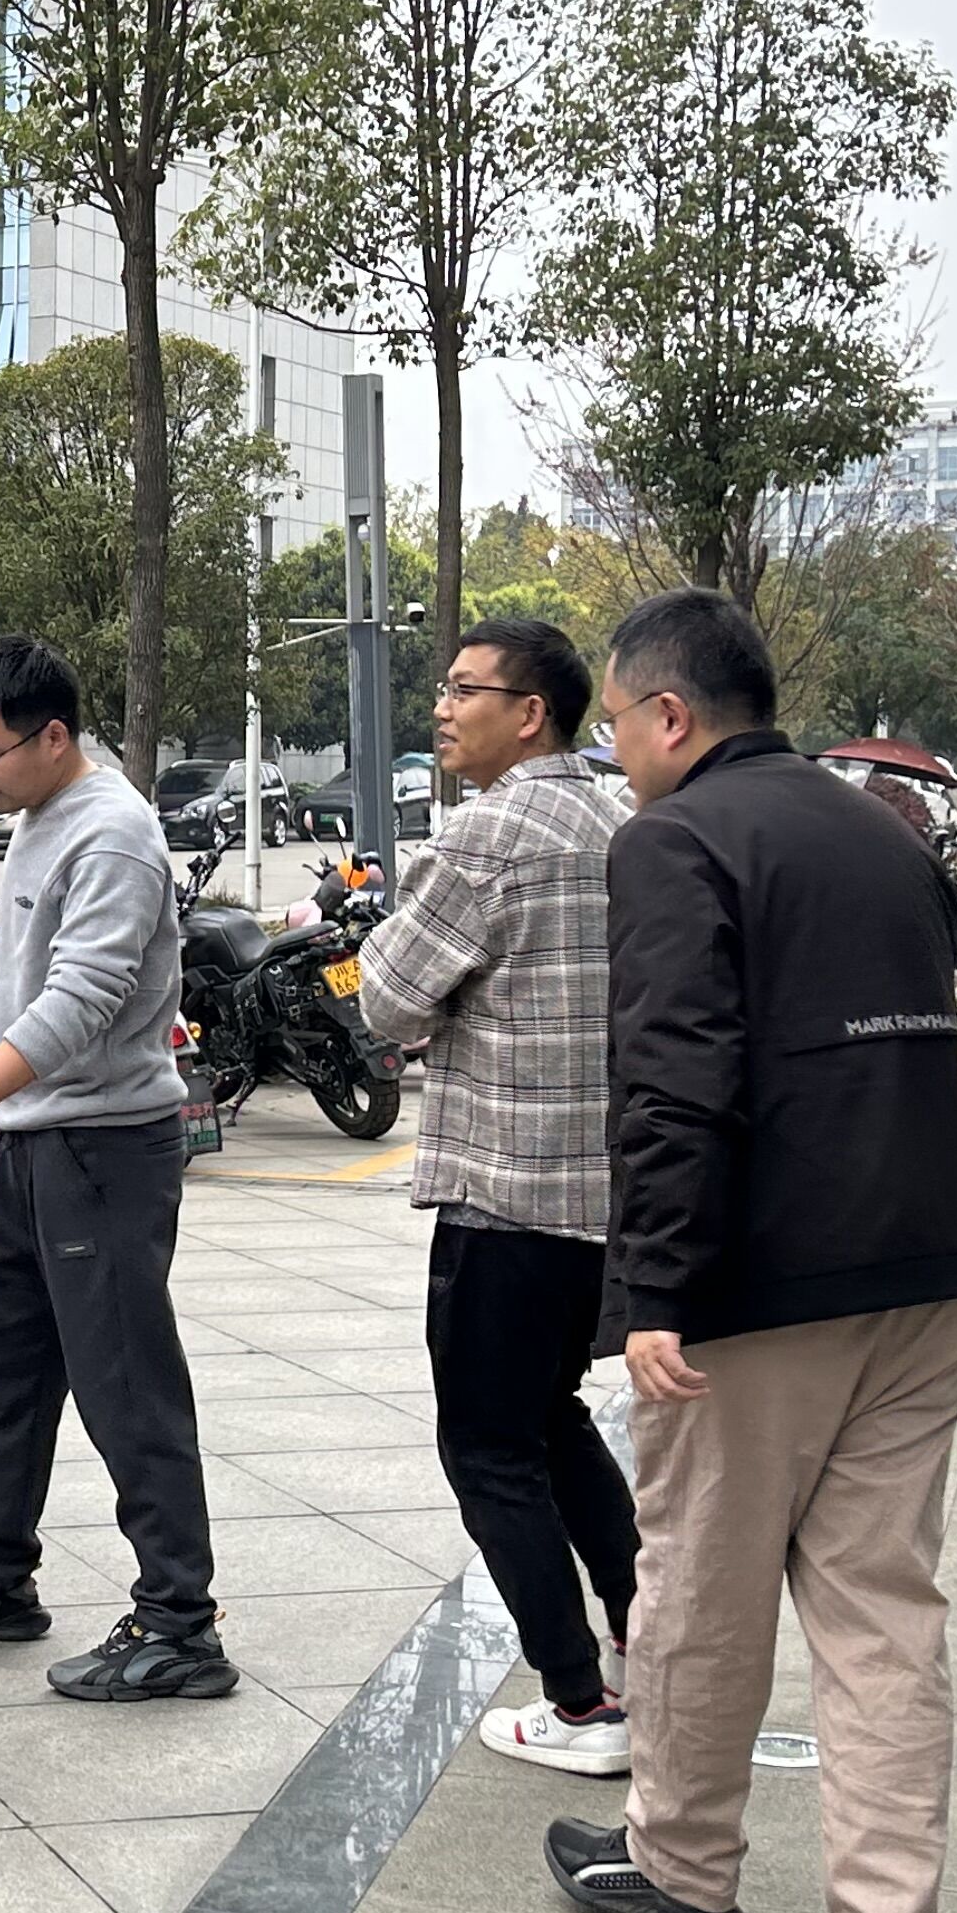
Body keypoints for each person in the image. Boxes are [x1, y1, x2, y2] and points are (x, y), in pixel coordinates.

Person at [548, 592, 957, 1913]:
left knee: (699, 1586)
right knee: (883, 1619)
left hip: (758, 1284)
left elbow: (674, 1076)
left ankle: (682, 1869)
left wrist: (654, 1290)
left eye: (617, 723)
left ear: (671, 715)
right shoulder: (883, 827)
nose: (615, 753)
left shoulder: (674, 840)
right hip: (929, 1265)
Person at [0, 634, 231, 1704]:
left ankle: (180, 1624)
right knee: (13, 1366)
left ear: (55, 737)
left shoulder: (113, 833)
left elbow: (83, 999)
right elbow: (23, 986)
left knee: (127, 1384)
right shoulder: (41, 816)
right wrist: (0, 1106)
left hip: (104, 1150)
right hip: (39, 1139)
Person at [351, 618, 639, 1773]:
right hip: (600, 1195)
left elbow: (385, 998)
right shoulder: (618, 822)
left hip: (504, 1193)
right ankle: (652, 1644)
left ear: (530, 715)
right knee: (551, 1416)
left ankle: (580, 1703)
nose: (443, 706)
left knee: (486, 1446)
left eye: (467, 689)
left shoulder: (485, 833)